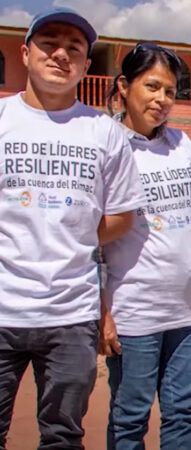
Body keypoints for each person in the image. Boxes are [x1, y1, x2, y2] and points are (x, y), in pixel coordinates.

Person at [0, 8, 145, 449]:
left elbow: (123, 214)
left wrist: (69, 233)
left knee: (62, 437)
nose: (61, 54)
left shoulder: (104, 132)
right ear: (25, 54)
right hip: (3, 308)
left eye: (75, 48)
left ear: (85, 65)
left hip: (71, 317)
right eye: (49, 43)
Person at [99, 42, 191, 449]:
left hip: (184, 311)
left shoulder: (182, 144)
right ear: (124, 86)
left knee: (183, 413)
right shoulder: (107, 146)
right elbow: (92, 239)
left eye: (170, 91)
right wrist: (102, 311)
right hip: (134, 313)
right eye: (152, 86)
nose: (162, 99)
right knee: (130, 417)